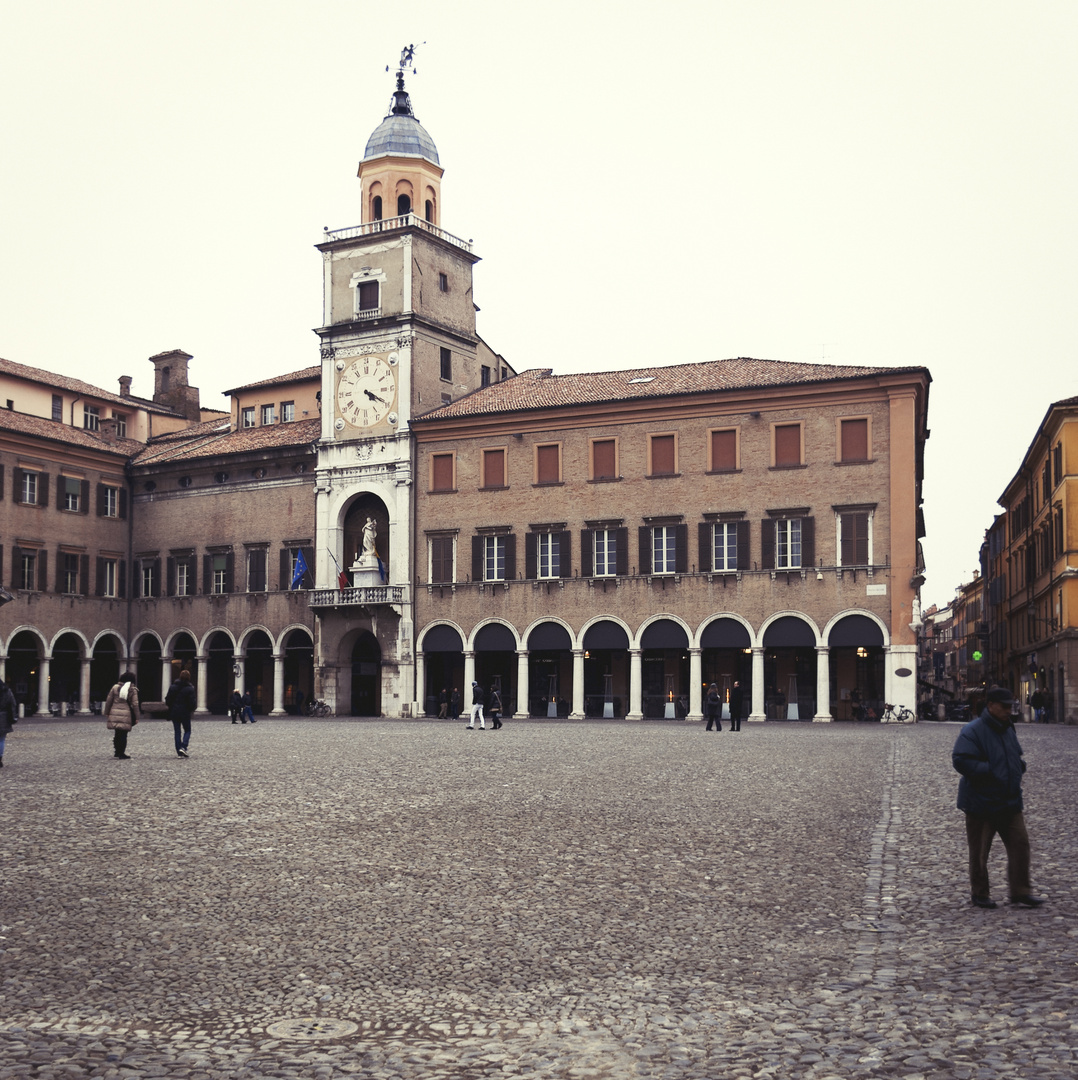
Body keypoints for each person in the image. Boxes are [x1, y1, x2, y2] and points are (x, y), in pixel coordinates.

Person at [952, 686, 1044, 909]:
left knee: (1020, 845)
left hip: (1009, 800)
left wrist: (1018, 767)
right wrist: (990, 771)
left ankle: (1020, 891)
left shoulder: (1008, 728)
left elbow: (1015, 754)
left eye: (1010, 706)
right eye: (1004, 706)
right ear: (990, 706)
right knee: (980, 851)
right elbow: (960, 759)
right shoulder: (973, 730)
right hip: (981, 801)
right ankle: (980, 893)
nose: (1008, 711)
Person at [104, 672, 140, 759]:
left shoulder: (115, 687)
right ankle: (121, 753)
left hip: (114, 711)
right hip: (126, 714)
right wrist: (137, 717)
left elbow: (109, 701)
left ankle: (116, 751)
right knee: (124, 734)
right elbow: (135, 704)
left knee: (117, 733)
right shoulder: (132, 689)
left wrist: (107, 712)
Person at [166, 669, 197, 758]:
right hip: (185, 712)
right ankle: (183, 746)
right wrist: (191, 709)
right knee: (187, 730)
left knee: (177, 731)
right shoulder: (190, 688)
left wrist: (172, 707)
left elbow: (168, 700)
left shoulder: (172, 687)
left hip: (174, 712)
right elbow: (192, 702)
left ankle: (179, 751)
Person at [0, 676, 17, 768]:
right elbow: (12, 704)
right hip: (3, 718)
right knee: (1, 740)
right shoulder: (7, 691)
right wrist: (13, 717)